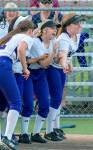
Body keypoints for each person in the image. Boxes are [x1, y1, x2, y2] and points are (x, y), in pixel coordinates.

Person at [44, 13, 84, 141]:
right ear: (68, 25)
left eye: (80, 23)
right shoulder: (63, 38)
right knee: (56, 99)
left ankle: (55, 128)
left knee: (58, 99)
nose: (80, 25)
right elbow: (62, 55)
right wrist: (65, 64)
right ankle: (49, 130)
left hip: (60, 70)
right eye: (77, 23)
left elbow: (69, 55)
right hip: (53, 69)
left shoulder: (77, 36)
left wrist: (68, 64)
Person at [0, 19, 34, 150]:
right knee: (16, 103)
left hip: (3, 64)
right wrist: (25, 68)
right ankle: (7, 138)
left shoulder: (11, 37)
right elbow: (21, 50)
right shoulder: (26, 37)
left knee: (1, 104)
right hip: (3, 64)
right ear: (30, 30)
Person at [28, 19, 58, 143]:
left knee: (45, 105)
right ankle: (21, 133)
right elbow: (45, 64)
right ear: (44, 30)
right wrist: (53, 53)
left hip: (40, 75)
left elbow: (52, 61)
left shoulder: (52, 41)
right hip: (28, 73)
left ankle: (35, 133)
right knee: (27, 104)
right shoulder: (35, 42)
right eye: (52, 29)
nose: (55, 31)